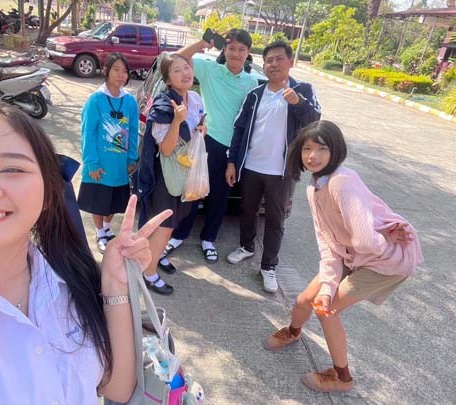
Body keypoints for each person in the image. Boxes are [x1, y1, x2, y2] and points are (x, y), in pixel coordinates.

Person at [0, 95, 172, 404]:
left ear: (49, 192)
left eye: (12, 169)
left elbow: (117, 387)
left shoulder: (70, 276)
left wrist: (114, 284)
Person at [263, 120, 424, 393]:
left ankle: (342, 378)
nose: (312, 155)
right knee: (306, 299)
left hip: (385, 260)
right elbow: (327, 243)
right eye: (307, 148)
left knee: (327, 311)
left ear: (336, 150)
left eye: (322, 149)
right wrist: (327, 286)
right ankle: (293, 332)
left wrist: (385, 241)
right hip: (353, 254)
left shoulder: (341, 182)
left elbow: (365, 240)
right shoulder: (315, 186)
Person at [225, 41, 321, 293]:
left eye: (279, 59)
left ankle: (268, 266)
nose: (274, 64)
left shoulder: (303, 90)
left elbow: (315, 122)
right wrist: (233, 162)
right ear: (264, 65)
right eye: (269, 60)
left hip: (282, 171)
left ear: (290, 62)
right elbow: (239, 129)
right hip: (251, 166)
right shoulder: (255, 94)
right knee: (248, 210)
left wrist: (298, 103)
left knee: (275, 220)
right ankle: (246, 246)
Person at [164, 29, 258, 263]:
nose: (236, 53)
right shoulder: (210, 70)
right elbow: (175, 59)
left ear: (248, 53)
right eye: (231, 48)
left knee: (219, 197)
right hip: (204, 142)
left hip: (231, 149)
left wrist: (235, 158)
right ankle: (179, 235)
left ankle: (208, 240)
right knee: (192, 192)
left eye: (241, 49)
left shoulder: (251, 82)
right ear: (224, 49)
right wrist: (203, 43)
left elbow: (248, 121)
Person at [137, 53, 205, 295]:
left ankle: (154, 257)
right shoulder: (164, 105)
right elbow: (166, 149)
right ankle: (148, 273)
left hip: (185, 170)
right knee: (164, 225)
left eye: (186, 68)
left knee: (174, 221)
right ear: (167, 80)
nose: (185, 73)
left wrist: (201, 129)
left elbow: (199, 125)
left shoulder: (194, 98)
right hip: (166, 176)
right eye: (177, 70)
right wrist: (177, 121)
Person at [78, 53, 139, 253]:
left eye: (125, 71)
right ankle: (99, 232)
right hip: (101, 164)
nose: (121, 75)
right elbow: (88, 132)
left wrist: (132, 157)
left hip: (119, 164)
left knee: (113, 201)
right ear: (106, 71)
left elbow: (133, 131)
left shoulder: (129, 101)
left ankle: (106, 227)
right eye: (116, 69)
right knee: (99, 200)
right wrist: (92, 163)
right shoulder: (95, 100)